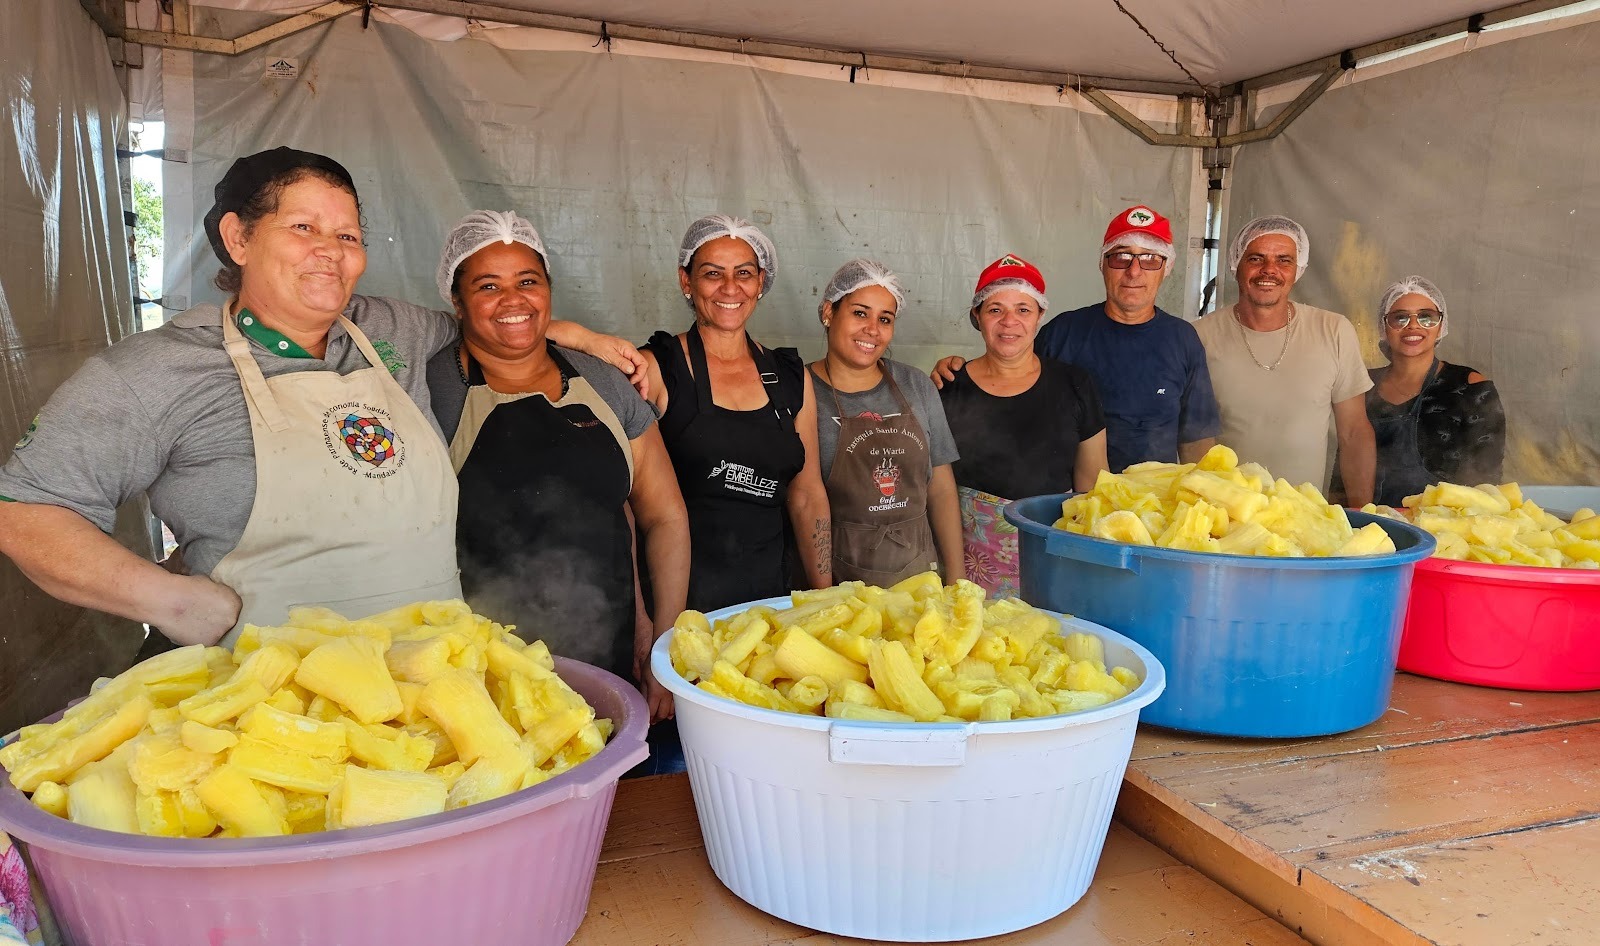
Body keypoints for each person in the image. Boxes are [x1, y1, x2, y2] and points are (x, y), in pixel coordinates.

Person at [0, 147, 645, 649]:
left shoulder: (391, 330)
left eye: (348, 236)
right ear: (238, 238)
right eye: (303, 227)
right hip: (261, 703)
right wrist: (170, 603)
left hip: (427, 682)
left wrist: (582, 336)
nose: (329, 254)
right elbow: (25, 510)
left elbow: (497, 318)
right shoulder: (157, 371)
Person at [427, 210, 689, 720]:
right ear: (456, 301)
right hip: (481, 681)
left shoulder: (605, 382)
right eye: (488, 286)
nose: (513, 300)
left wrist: (661, 643)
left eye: (528, 281)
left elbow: (663, 516)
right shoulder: (433, 390)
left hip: (612, 661)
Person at [638, 215, 830, 612]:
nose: (730, 287)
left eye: (743, 273)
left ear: (760, 282)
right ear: (686, 281)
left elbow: (807, 495)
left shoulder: (791, 377)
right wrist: (650, 624)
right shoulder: (656, 367)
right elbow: (628, 501)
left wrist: (825, 597)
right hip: (679, 607)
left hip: (769, 603)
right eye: (713, 273)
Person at [932, 206, 1219, 471]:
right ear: (1102, 264)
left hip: (1153, 502)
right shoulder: (1063, 332)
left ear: (1167, 268)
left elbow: (1196, 438)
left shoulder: (1182, 339)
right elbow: (1006, 377)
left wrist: (1204, 495)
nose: (1134, 271)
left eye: (1150, 259)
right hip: (1067, 499)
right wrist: (959, 374)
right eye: (1121, 257)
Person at [938, 254, 1108, 596]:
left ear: (1040, 315)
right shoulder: (948, 386)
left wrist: (1086, 569)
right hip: (969, 566)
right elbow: (938, 492)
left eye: (1023, 309)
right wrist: (955, 582)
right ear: (977, 316)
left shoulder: (1075, 384)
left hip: (1055, 561)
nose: (1009, 322)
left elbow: (1091, 486)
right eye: (995, 309)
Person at [1193, 214, 1376, 505]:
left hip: (1307, 514)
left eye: (1283, 260)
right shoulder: (1199, 336)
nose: (1269, 270)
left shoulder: (1333, 330)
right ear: (1236, 264)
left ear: (1298, 269)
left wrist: (1362, 512)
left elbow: (1354, 432)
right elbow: (1195, 437)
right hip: (1228, 515)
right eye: (1256, 258)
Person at [809, 259, 965, 585]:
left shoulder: (916, 385)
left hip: (918, 574)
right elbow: (803, 499)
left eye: (885, 319)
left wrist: (956, 580)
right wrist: (820, 594)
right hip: (839, 579)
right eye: (860, 313)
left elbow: (941, 488)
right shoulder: (801, 390)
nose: (872, 329)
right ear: (828, 312)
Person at [1359, 276, 1505, 504]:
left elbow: (1486, 477)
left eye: (1426, 317)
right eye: (1400, 318)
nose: (1413, 325)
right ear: (1384, 327)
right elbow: (1345, 465)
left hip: (1444, 521)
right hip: (1371, 521)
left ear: (1440, 327)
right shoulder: (1362, 385)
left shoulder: (1470, 385)